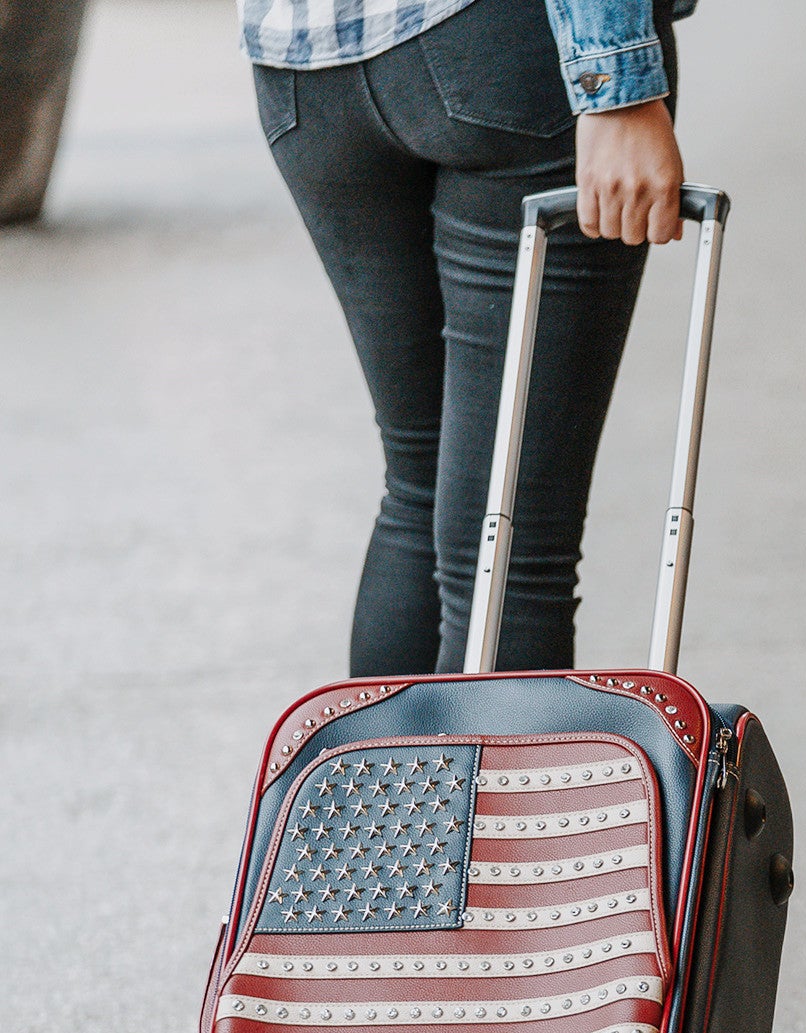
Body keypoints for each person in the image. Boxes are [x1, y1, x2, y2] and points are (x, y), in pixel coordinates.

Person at [239, 0, 695, 673]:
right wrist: (612, 81)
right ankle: (476, 782)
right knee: (513, 548)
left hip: (305, 68)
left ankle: (388, 780)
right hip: (499, 47)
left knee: (419, 489)